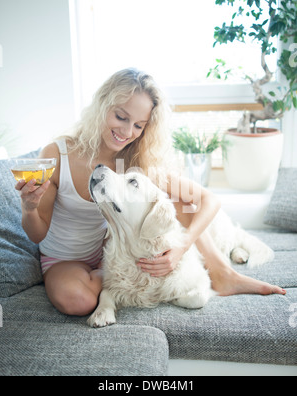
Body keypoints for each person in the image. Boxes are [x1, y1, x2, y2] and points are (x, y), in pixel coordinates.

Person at [15, 68, 286, 316]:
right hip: (66, 259)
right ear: (102, 105)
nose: (126, 131)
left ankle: (223, 273)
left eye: (138, 125)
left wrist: (181, 246)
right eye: (121, 116)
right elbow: (37, 233)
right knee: (79, 301)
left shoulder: (135, 163)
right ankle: (113, 282)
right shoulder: (58, 153)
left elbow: (207, 200)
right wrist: (29, 207)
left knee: (175, 203)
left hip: (114, 251)